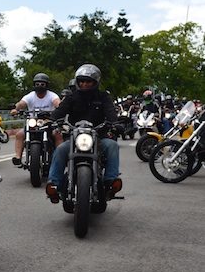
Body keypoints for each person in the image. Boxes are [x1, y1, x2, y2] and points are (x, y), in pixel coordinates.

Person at [45, 64, 123, 203]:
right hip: (75, 137)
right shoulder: (71, 97)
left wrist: (116, 124)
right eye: (82, 81)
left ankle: (111, 181)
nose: (84, 84)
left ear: (95, 82)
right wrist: (50, 121)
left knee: (112, 146)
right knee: (61, 149)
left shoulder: (103, 96)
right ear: (77, 82)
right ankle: (54, 184)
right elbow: (60, 111)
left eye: (88, 81)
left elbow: (110, 112)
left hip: (99, 136)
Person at [10, 73, 60, 167]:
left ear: (47, 85)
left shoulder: (52, 95)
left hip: (48, 121)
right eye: (37, 84)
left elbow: (57, 103)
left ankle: (60, 158)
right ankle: (18, 157)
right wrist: (15, 109)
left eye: (42, 84)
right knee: (20, 134)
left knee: (57, 134)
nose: (39, 86)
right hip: (32, 122)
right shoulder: (30, 96)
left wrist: (59, 107)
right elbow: (21, 103)